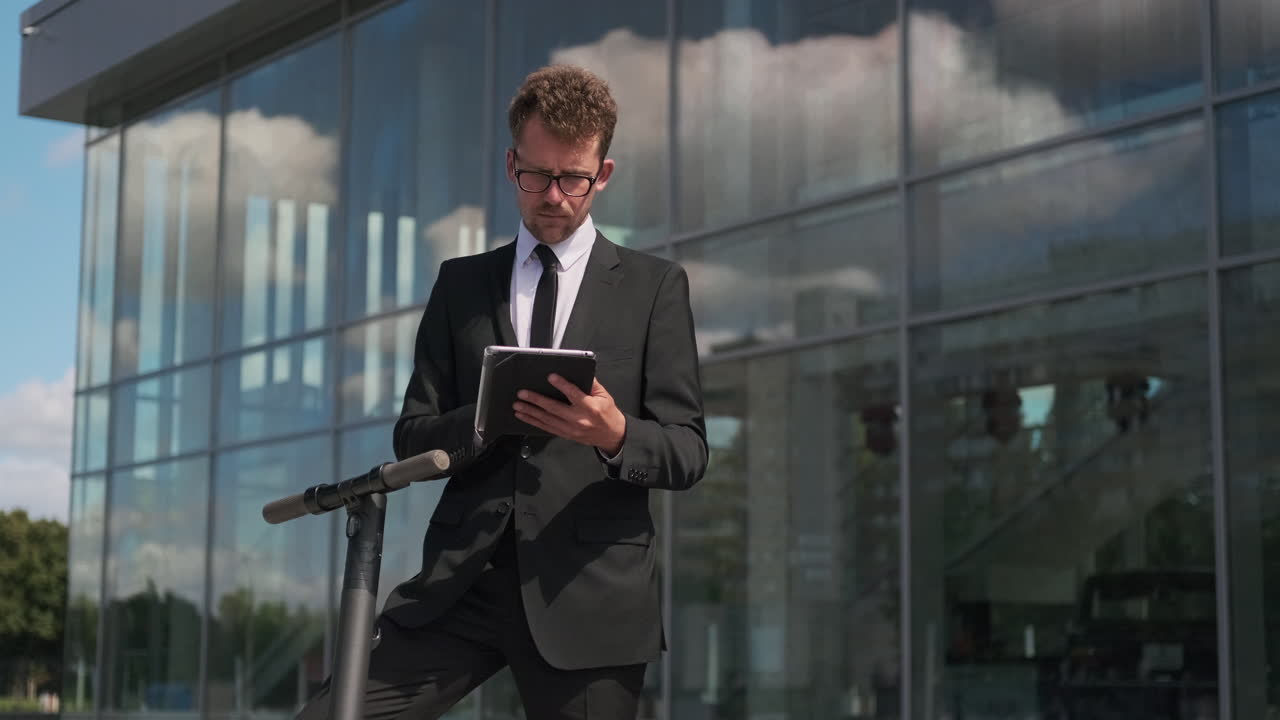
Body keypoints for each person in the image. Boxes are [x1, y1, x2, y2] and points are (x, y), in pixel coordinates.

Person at [298, 65, 707, 719]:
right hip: (461, 587)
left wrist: (615, 433)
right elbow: (413, 431)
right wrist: (481, 423)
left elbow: (687, 450)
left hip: (591, 591)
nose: (553, 195)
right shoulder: (461, 284)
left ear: (602, 173)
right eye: (536, 175)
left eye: (572, 177)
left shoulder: (654, 288)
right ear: (511, 163)